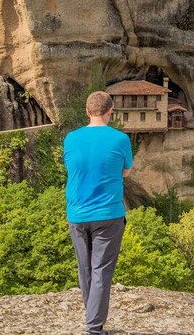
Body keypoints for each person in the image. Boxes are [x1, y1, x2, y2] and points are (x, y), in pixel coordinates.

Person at [63, 91, 133, 335]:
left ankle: (92, 315)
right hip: (108, 214)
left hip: (77, 214)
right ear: (110, 112)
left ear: (87, 112)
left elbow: (73, 167)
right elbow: (125, 172)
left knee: (85, 268)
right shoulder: (120, 139)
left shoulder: (70, 139)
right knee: (101, 269)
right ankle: (93, 328)